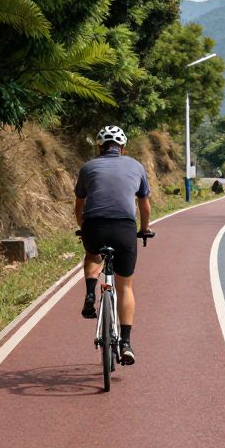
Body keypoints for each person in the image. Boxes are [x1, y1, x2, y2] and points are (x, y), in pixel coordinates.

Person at [74, 125, 151, 365]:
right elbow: (144, 205)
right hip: (124, 228)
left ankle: (90, 293)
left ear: (99, 147)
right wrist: (144, 229)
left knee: (92, 255)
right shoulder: (136, 166)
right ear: (123, 148)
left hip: (94, 226)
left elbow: (79, 205)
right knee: (125, 286)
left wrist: (83, 227)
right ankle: (126, 343)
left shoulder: (88, 167)